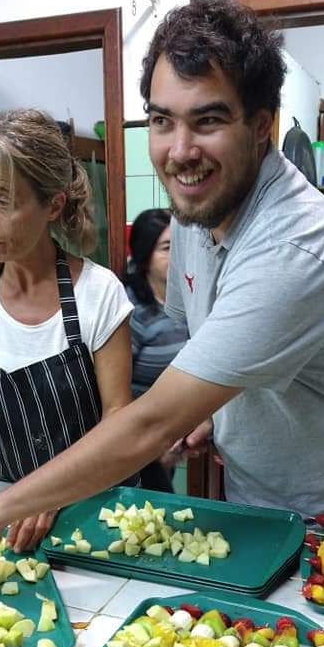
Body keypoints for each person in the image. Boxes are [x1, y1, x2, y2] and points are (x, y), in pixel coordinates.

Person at [0, 0, 324, 591]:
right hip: (261, 491)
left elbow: (149, 423)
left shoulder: (295, 245)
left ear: (261, 126)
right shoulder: (196, 213)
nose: (179, 151)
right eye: (162, 120)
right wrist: (210, 411)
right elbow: (210, 344)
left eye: (207, 120)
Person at [0, 109, 134, 552]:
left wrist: (54, 491)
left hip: (95, 509)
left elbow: (120, 417)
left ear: (53, 205)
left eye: (3, 201)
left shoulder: (98, 294)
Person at [123, 208, 188, 491]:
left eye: (181, 245)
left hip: (170, 436)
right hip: (134, 443)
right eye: (167, 247)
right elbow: (115, 391)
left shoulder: (188, 298)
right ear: (144, 254)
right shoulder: (131, 309)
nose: (178, 255)